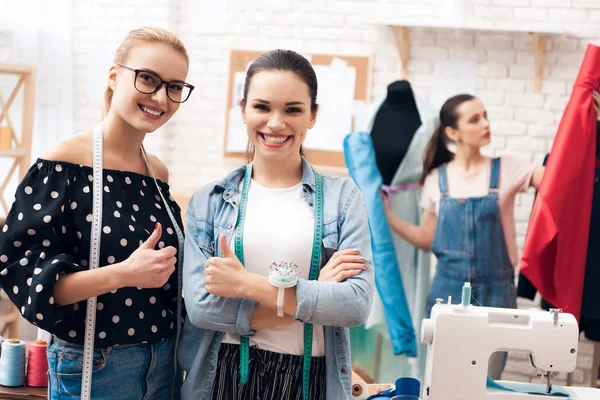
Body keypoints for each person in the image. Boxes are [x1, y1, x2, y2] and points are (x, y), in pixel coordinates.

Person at [0, 26, 194, 399]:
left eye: (174, 87)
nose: (161, 97)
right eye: (148, 79)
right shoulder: (64, 163)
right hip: (97, 363)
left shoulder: (157, 172)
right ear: (114, 75)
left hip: (166, 361)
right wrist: (124, 274)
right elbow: (26, 277)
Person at [178, 49, 374, 400]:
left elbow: (355, 305)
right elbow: (202, 309)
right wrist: (315, 291)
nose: (276, 123)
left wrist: (246, 284)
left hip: (309, 378)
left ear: (313, 115)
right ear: (243, 109)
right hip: (222, 372)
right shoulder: (208, 202)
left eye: (293, 109)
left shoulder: (343, 199)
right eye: (262, 107)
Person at [383, 93, 545, 380]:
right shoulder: (436, 180)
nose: (485, 124)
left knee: (487, 384)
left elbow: (558, 180)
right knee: (445, 382)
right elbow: (426, 238)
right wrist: (388, 218)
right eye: (474, 119)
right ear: (452, 132)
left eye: (485, 116)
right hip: (447, 294)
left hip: (497, 294)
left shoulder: (507, 167)